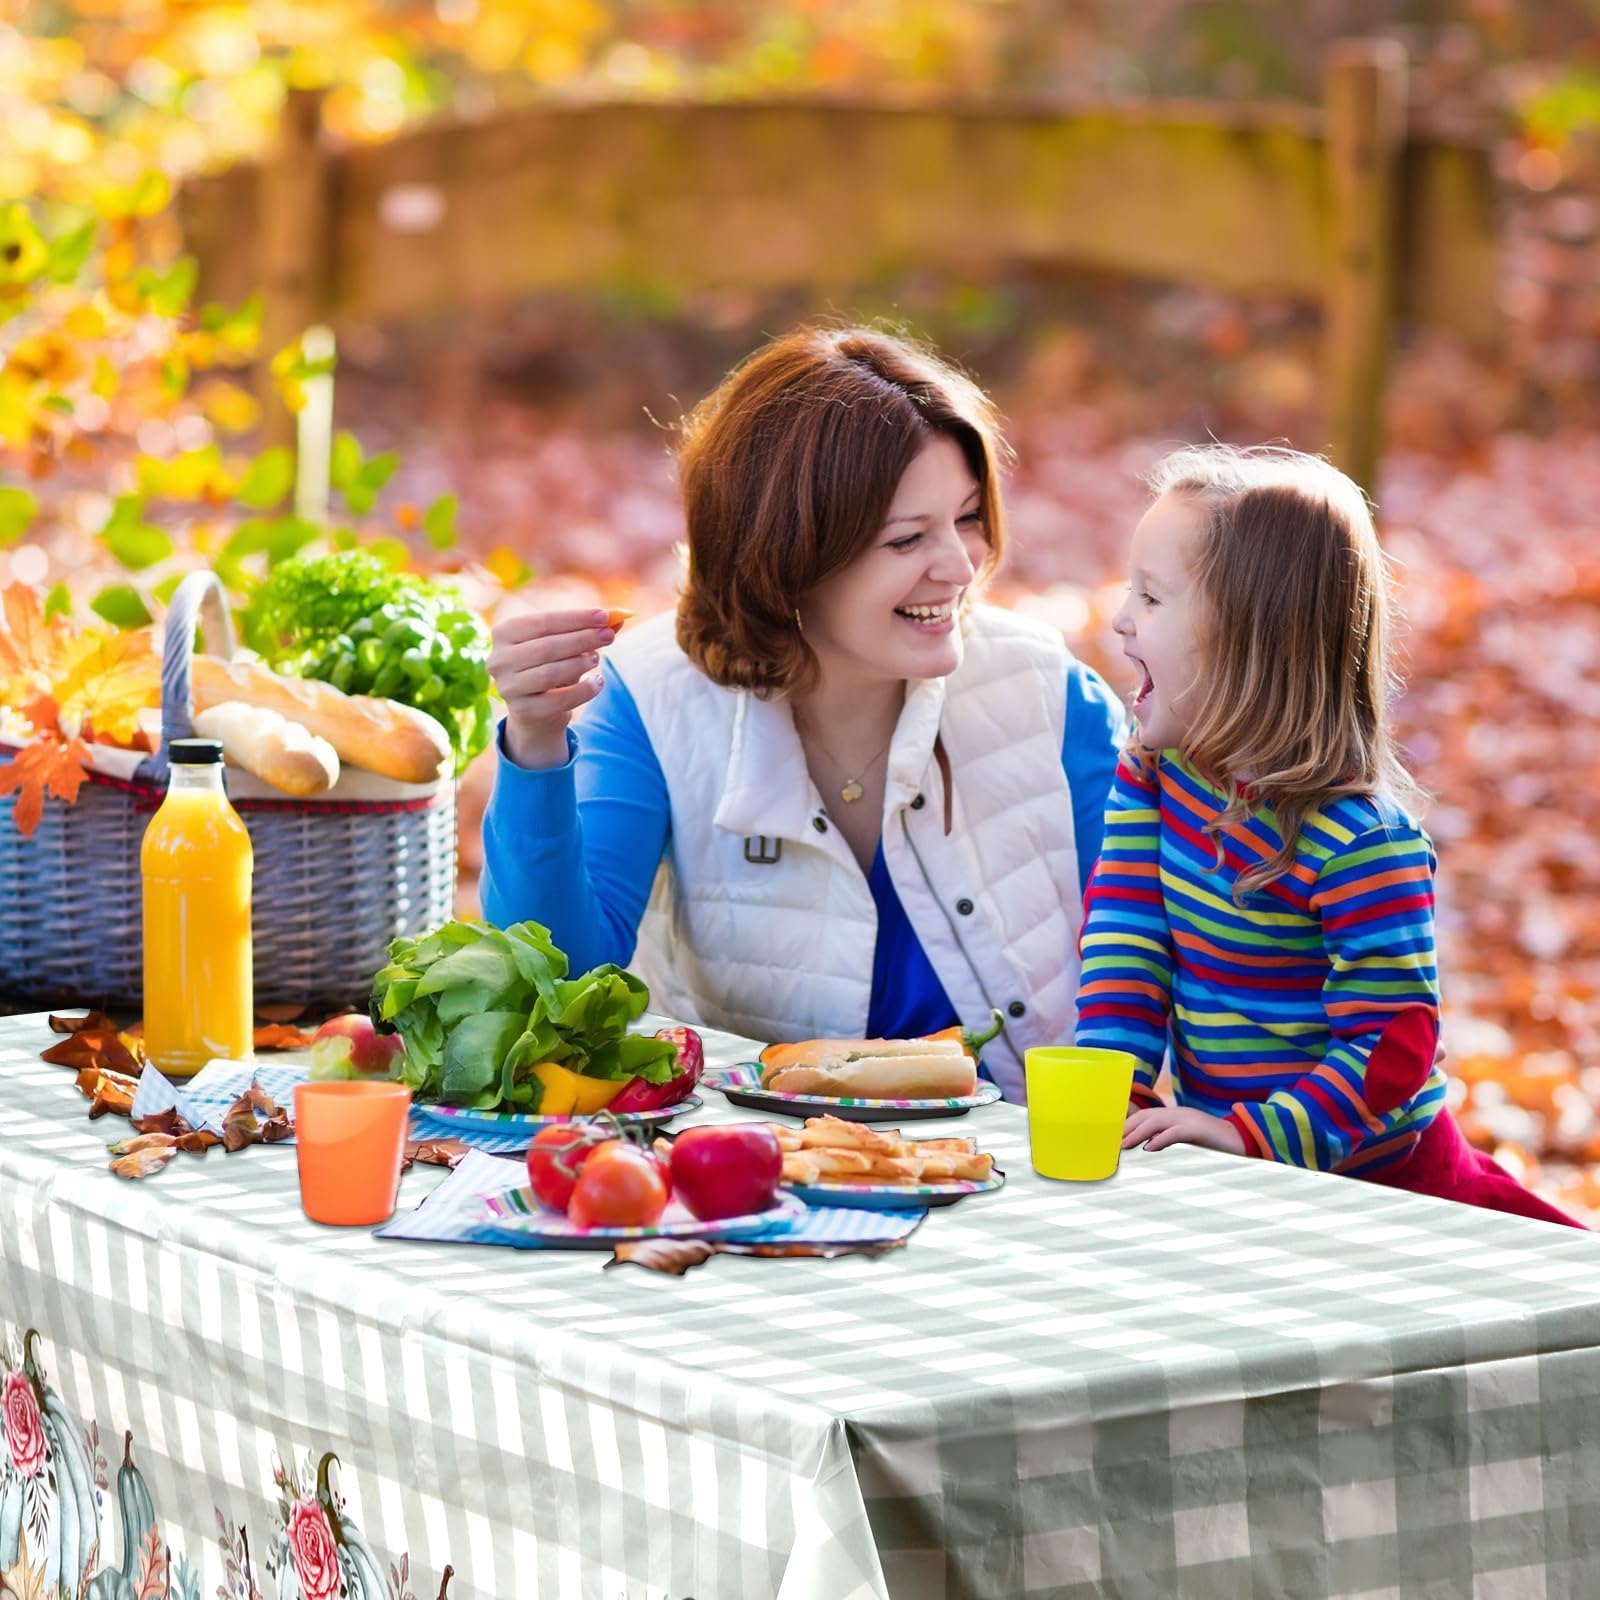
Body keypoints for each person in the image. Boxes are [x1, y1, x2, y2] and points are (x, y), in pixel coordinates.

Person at [479, 325, 1125, 1098]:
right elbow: (558, 982)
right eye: (906, 539)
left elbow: (1148, 962)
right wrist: (538, 745)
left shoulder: (1052, 695)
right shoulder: (650, 700)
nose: (959, 566)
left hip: (1028, 1159)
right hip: (763, 1165)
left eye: (967, 517)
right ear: (789, 558)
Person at [1074, 443, 1583, 1225]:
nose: (1120, 619)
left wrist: (1250, 1136)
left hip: (1387, 1185)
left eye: (1152, 597)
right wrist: (1114, 1090)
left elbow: (1391, 1053)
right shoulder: (1156, 775)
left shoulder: (1360, 844)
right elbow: (1127, 937)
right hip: (1246, 1172)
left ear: (1250, 637)